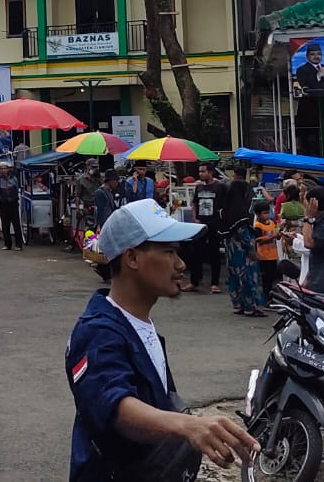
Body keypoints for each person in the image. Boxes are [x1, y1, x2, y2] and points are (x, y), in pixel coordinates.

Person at [65, 199, 258, 479]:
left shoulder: (140, 325)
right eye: (168, 252)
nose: (180, 264)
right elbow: (115, 406)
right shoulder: (97, 331)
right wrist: (187, 426)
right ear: (132, 258)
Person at [189, 166, 229, 294]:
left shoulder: (220, 187)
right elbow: (194, 203)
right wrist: (195, 217)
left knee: (214, 254)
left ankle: (215, 283)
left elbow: (226, 204)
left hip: (214, 224)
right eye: (199, 171)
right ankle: (194, 281)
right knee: (195, 253)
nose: (200, 174)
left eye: (203, 171)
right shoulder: (199, 187)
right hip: (200, 224)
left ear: (210, 172)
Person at [225, 210, 266, 317]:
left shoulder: (226, 214)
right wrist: (253, 251)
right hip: (244, 255)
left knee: (234, 278)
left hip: (232, 254)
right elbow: (246, 239)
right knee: (247, 278)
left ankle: (238, 305)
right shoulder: (242, 219)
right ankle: (250, 307)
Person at [253, 202, 281, 291]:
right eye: (265, 213)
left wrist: (279, 233)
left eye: (268, 212)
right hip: (264, 257)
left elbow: (277, 237)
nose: (267, 215)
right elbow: (259, 240)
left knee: (273, 277)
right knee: (265, 279)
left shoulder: (272, 223)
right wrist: (273, 236)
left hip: (273, 256)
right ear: (258, 214)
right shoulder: (257, 226)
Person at [0, 163, 24, 250]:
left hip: (13, 204)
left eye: (5, 168)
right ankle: (7, 244)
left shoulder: (14, 179)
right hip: (4, 205)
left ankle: (19, 245)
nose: (3, 170)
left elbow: (17, 189)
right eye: (1, 169)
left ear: (8, 169)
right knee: (5, 225)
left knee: (16, 224)